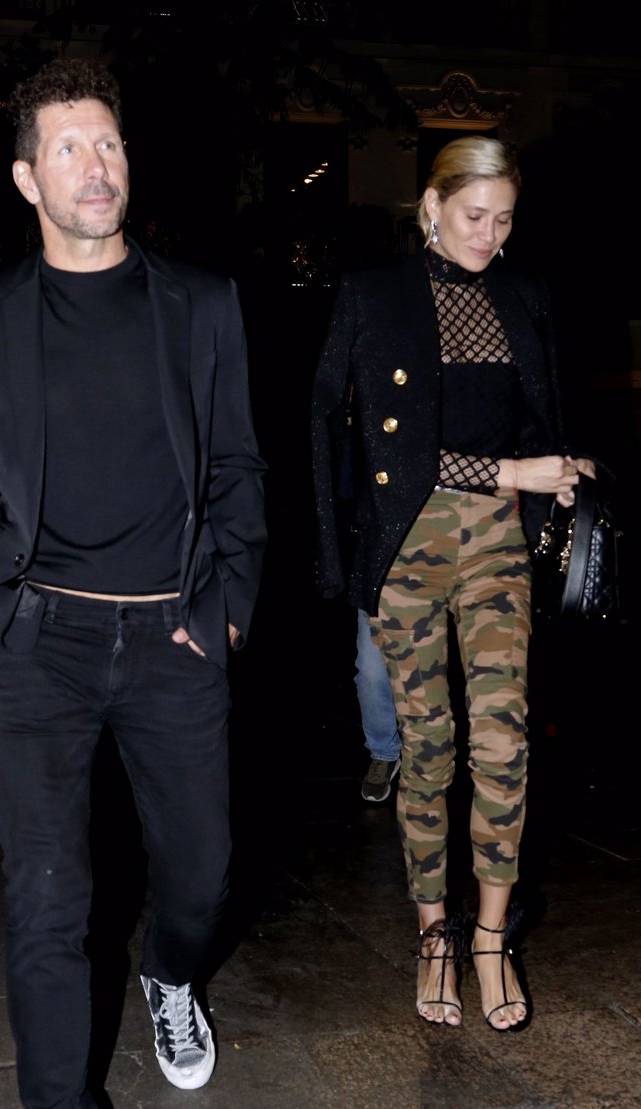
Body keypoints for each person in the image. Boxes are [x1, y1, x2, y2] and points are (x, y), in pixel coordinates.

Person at [0, 58, 266, 1109]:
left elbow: (237, 468)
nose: (96, 165)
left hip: (171, 634)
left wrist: (223, 614)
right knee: (45, 895)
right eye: (68, 147)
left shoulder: (201, 304)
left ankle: (170, 973)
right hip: (42, 645)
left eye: (109, 142)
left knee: (203, 869)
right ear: (26, 178)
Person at [312, 136, 594, 1033]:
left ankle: (490, 938)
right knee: (427, 748)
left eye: (504, 218)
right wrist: (510, 471)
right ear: (432, 206)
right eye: (475, 214)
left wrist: (563, 469)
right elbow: (364, 439)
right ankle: (434, 932)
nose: (489, 234)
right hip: (408, 542)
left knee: (504, 744)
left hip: (496, 542)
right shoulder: (374, 294)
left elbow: (543, 415)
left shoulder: (524, 294)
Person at [355, 610, 401, 802]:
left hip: (431, 593)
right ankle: (383, 752)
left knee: (426, 670)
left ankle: (427, 749)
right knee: (371, 671)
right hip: (376, 594)